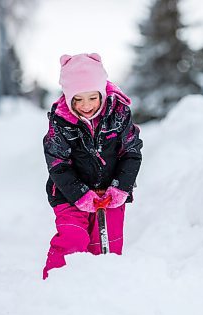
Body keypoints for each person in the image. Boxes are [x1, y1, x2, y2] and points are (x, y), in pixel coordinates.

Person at [42, 53, 143, 280]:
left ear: (102, 93)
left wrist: (120, 188)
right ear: (69, 98)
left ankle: (100, 292)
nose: (86, 106)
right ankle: (56, 287)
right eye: (78, 99)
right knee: (73, 241)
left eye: (92, 98)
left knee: (106, 248)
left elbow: (131, 152)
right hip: (70, 196)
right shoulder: (61, 122)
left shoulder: (118, 114)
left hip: (110, 194)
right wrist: (80, 195)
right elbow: (58, 164)